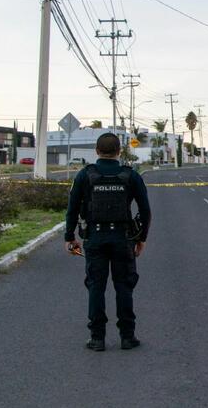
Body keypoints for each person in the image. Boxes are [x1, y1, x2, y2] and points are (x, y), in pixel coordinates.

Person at [65, 133, 151, 351]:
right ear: (119, 151)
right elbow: (145, 211)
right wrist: (141, 238)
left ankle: (97, 338)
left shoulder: (85, 175)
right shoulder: (131, 176)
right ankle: (127, 337)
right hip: (123, 239)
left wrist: (70, 237)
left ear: (96, 151)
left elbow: (72, 208)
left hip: (95, 238)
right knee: (124, 286)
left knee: (96, 287)